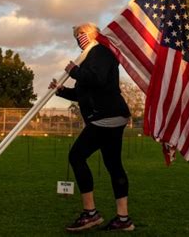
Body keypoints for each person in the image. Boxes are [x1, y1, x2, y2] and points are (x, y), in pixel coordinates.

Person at [49, 23, 134, 232]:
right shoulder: (88, 58)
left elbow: (98, 79)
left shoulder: (100, 51)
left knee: (76, 156)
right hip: (110, 116)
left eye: (81, 34)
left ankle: (91, 214)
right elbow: (82, 93)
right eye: (76, 36)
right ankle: (123, 219)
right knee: (113, 165)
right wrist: (61, 90)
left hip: (106, 116)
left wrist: (75, 71)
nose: (79, 39)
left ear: (93, 34)